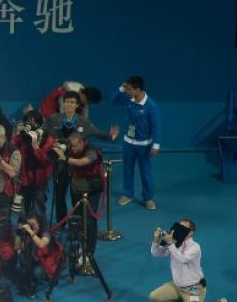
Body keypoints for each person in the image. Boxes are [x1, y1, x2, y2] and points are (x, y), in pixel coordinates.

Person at [45, 91, 117, 223]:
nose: (69, 105)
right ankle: (61, 223)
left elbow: (97, 133)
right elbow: (44, 131)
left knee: (76, 196)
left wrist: (110, 135)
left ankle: (76, 224)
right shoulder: (54, 118)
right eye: (67, 102)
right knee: (59, 195)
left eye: (72, 102)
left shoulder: (83, 121)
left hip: (77, 165)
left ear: (77, 105)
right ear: (63, 103)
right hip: (60, 164)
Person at [149, 219, 231, 302]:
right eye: (178, 227)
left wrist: (170, 243)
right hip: (177, 286)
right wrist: (156, 240)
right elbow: (156, 253)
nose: (179, 230)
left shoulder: (195, 247)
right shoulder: (174, 242)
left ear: (191, 232)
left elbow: (182, 259)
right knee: (154, 296)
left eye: (183, 228)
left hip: (194, 288)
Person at [51, 131, 104, 258]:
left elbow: (81, 162)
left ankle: (90, 250)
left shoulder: (92, 151)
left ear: (82, 143)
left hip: (92, 190)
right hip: (77, 188)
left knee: (90, 220)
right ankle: (78, 245)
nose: (73, 149)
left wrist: (65, 158)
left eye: (75, 146)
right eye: (71, 146)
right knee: (77, 217)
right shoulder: (70, 147)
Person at [113, 75, 161, 210]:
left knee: (145, 172)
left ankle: (148, 198)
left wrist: (156, 144)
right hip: (128, 143)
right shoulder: (129, 100)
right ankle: (128, 194)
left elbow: (156, 126)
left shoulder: (151, 106)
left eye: (129, 90)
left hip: (144, 146)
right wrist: (121, 88)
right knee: (127, 169)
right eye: (126, 89)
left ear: (138, 89)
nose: (127, 92)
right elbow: (113, 99)